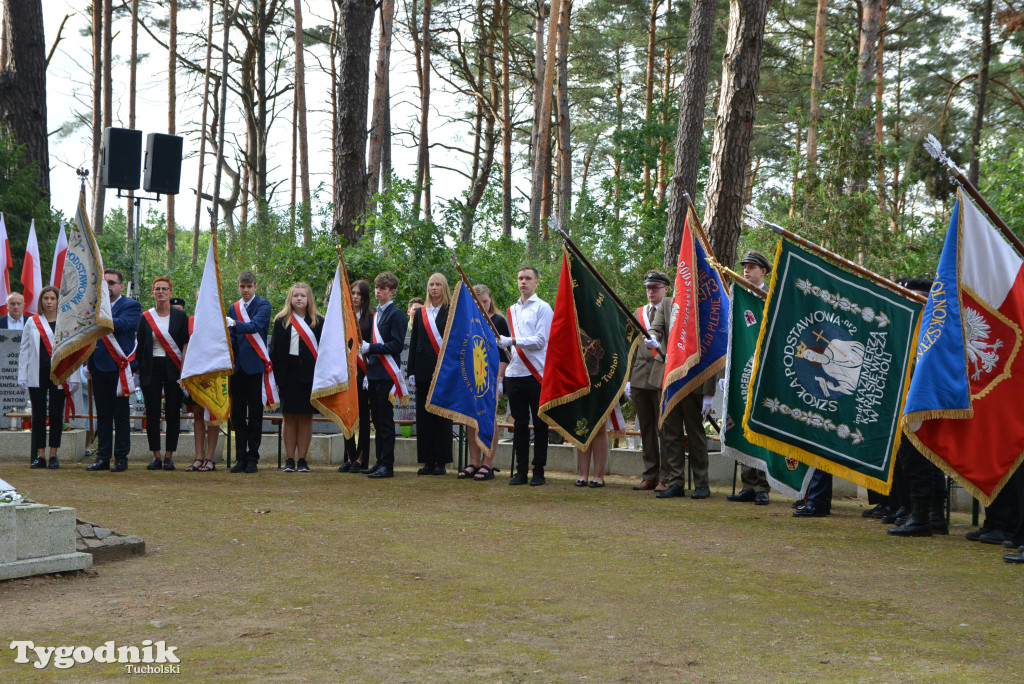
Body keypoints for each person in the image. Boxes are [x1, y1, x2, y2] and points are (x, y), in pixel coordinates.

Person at [647, 297, 717, 499]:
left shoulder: (704, 305)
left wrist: (708, 391)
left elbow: (712, 347)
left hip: (694, 377)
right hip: (669, 376)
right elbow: (656, 328)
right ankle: (676, 481)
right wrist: (652, 338)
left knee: (695, 433)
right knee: (670, 432)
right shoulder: (668, 304)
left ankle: (701, 483)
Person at [498, 266, 553, 486]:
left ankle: (538, 470)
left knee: (540, 424)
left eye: (528, 278)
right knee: (519, 425)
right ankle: (521, 470)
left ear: (536, 282)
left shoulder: (543, 307)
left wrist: (512, 341)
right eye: (520, 278)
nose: (523, 282)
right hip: (515, 373)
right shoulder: (512, 309)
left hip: (536, 373)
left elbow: (540, 340)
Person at [86, 269, 143, 472]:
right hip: (99, 366)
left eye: (111, 283)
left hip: (119, 367)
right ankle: (102, 457)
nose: (108, 286)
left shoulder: (132, 305)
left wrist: (100, 317)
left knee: (120, 415)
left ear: (120, 286)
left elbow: (124, 324)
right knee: (103, 415)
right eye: (105, 283)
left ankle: (121, 458)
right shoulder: (95, 305)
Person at [727, 250, 772, 505]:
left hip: (764, 368)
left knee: (761, 423)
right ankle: (748, 484)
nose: (746, 270)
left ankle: (763, 486)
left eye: (752, 267)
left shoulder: (772, 297)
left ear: (763, 272)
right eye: (744, 266)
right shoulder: (739, 296)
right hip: (743, 367)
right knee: (744, 422)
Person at [269, 282, 324, 473]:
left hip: (309, 376)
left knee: (306, 418)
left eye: (302, 295)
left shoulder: (318, 321)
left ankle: (303, 460)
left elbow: (324, 352)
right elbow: (274, 350)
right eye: (295, 295)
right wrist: (275, 377)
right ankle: (290, 459)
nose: (299, 298)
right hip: (287, 374)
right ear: (290, 298)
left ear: (308, 298)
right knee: (289, 417)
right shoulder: (281, 320)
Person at [136, 277, 190, 471]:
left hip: (174, 367)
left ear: (170, 293)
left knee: (174, 412)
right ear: (152, 293)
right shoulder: (145, 317)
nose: (160, 292)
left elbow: (185, 342)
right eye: (157, 289)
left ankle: (169, 456)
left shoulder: (180, 317)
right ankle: (156, 456)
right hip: (151, 368)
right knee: (152, 413)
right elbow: (141, 345)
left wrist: (184, 367)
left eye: (164, 289)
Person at [19, 286, 74, 469]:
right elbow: (24, 350)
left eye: (52, 298)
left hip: (59, 374)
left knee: (56, 414)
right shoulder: (32, 322)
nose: (49, 302)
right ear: (41, 301)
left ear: (58, 301)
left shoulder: (65, 322)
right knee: (38, 415)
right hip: (37, 373)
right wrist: (22, 375)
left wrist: (72, 377)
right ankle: (40, 454)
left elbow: (71, 352)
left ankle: (53, 454)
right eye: (45, 298)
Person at [459, 284, 510, 481]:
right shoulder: (468, 322)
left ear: (491, 301)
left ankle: (489, 462)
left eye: (486, 302)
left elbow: (505, 355)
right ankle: (474, 462)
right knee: (471, 419)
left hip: (491, 377)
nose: (483, 306)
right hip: (471, 377)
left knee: (489, 420)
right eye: (478, 303)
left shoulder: (499, 321)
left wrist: (498, 379)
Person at [359, 272, 408, 478]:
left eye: (383, 288)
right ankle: (379, 461)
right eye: (377, 288)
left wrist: (371, 347)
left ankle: (387, 465)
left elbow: (396, 345)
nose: (378, 291)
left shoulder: (397, 315)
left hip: (388, 374)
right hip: (375, 373)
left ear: (392, 291)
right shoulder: (377, 315)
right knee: (377, 420)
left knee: (386, 421)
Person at [627, 270, 671, 492]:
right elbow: (633, 347)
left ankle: (666, 476)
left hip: (662, 374)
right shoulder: (639, 312)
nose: (651, 292)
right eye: (648, 288)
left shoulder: (673, 310)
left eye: (655, 288)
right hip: (640, 375)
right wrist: (628, 379)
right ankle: (650, 475)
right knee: (646, 429)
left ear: (666, 289)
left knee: (664, 428)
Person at [227, 270, 273, 474]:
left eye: (249, 286)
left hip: (255, 365)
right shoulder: (233, 307)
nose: (245, 290)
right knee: (237, 414)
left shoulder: (263, 305)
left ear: (255, 286)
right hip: (237, 368)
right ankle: (240, 457)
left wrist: (235, 324)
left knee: (255, 413)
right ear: (238, 287)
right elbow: (233, 339)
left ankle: (253, 457)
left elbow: (255, 326)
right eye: (242, 286)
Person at [408, 273, 454, 476]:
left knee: (442, 416)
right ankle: (427, 460)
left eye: (437, 284)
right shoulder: (421, 313)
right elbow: (414, 343)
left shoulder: (451, 311)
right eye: (431, 285)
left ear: (444, 287)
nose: (434, 288)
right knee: (424, 416)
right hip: (423, 369)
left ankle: (441, 461)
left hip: (444, 370)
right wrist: (411, 371)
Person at [340, 279, 374, 473]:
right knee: (346, 413)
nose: (355, 297)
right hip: (346, 372)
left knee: (362, 415)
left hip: (363, 372)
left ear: (364, 297)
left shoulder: (371, 318)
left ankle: (361, 458)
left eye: (358, 294)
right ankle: (349, 456)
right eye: (352, 293)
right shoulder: (343, 318)